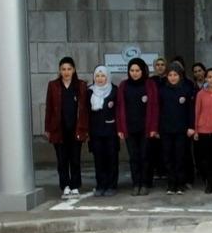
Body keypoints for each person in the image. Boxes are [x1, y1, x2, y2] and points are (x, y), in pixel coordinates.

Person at [45, 57, 89, 199]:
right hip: (59, 129)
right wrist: (48, 128)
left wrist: (85, 128)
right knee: (62, 160)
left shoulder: (81, 85)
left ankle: (75, 185)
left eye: (69, 69)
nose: (66, 72)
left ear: (74, 70)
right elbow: (49, 108)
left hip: (76, 128)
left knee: (75, 159)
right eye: (63, 69)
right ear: (59, 70)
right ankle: (65, 186)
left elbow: (85, 109)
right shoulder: (53, 85)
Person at [117, 58, 159, 196]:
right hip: (129, 128)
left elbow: (155, 107)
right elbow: (119, 107)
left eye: (137, 70)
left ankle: (145, 183)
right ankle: (136, 184)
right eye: (132, 70)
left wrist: (154, 127)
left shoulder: (150, 84)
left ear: (143, 71)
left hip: (145, 128)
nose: (134, 73)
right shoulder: (124, 85)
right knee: (133, 157)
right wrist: (120, 128)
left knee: (145, 156)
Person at [158, 62, 196, 195]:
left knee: (180, 157)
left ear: (180, 75)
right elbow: (158, 110)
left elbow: (190, 110)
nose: (173, 77)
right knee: (168, 157)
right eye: (170, 75)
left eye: (175, 75)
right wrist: (158, 128)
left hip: (182, 130)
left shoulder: (186, 89)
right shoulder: (162, 90)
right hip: (166, 129)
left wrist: (191, 126)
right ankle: (171, 183)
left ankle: (181, 183)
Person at [88, 65, 119, 197]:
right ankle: (101, 185)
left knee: (111, 158)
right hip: (95, 131)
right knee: (98, 159)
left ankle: (111, 185)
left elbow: (118, 110)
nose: (100, 79)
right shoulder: (89, 91)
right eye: (97, 76)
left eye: (103, 76)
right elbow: (86, 112)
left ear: (108, 77)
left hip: (111, 131)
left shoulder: (114, 90)